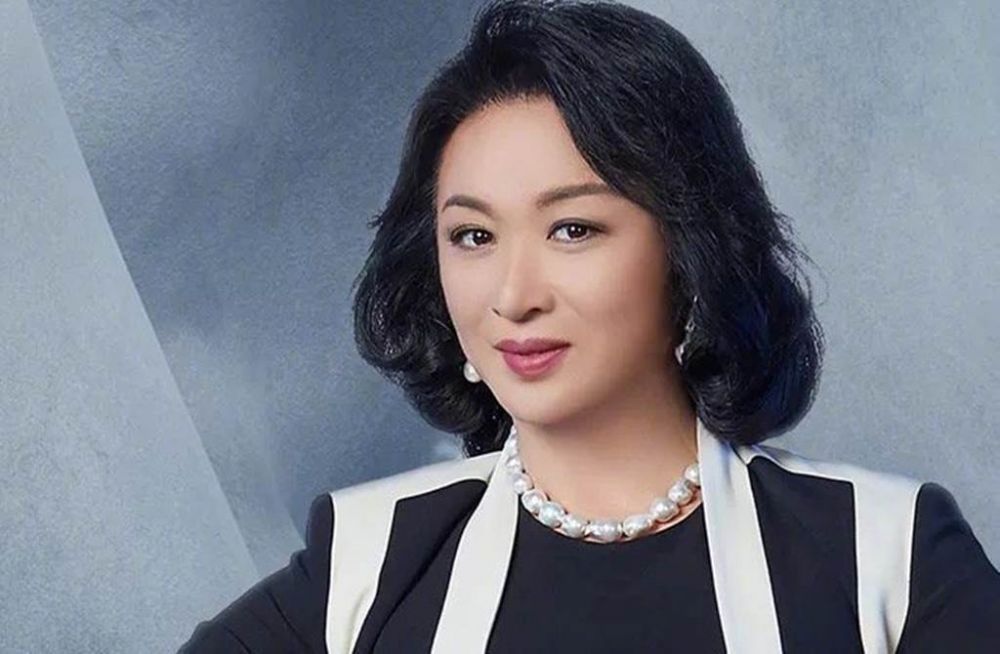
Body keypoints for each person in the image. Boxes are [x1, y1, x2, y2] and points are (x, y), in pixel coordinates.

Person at [178, 0, 1000, 651]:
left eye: (573, 229)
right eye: (473, 236)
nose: (513, 295)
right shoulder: (369, 559)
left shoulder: (886, 555)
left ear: (689, 249)